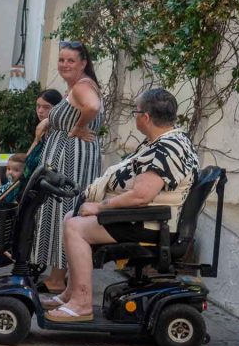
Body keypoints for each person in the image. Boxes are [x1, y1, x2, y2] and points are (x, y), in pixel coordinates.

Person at [42, 89, 198, 322]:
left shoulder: (166, 149)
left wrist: (100, 207)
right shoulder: (169, 141)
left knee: (75, 227)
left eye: (136, 112)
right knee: (70, 220)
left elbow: (141, 196)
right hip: (145, 218)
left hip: (149, 222)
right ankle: (71, 293)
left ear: (145, 117)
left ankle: (82, 304)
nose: (134, 116)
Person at [33, 41, 104, 294]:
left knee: (62, 210)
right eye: (61, 60)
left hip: (69, 157)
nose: (64, 64)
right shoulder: (79, 86)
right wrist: (49, 123)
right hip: (74, 155)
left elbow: (92, 106)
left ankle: (58, 278)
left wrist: (77, 128)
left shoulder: (83, 86)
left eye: (70, 60)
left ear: (83, 63)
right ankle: (57, 276)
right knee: (64, 211)